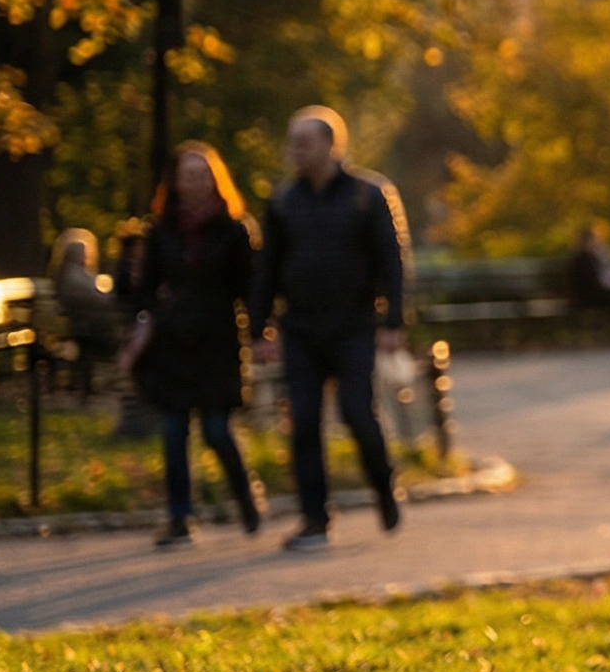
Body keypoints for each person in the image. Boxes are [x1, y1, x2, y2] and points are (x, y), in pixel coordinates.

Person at [253, 105, 409, 549]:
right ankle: (314, 519)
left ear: (331, 144)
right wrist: (258, 329)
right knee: (303, 423)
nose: (296, 150)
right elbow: (267, 269)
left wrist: (394, 321)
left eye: (304, 142)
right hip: (301, 329)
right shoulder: (283, 201)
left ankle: (382, 484)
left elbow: (392, 261)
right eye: (292, 142)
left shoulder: (368, 194)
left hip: (353, 326)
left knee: (357, 413)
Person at [133, 144, 265, 546]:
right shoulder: (160, 231)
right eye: (188, 175)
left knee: (216, 430)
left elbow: (251, 287)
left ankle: (245, 497)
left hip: (217, 343)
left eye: (202, 174)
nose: (195, 182)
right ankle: (180, 517)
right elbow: (144, 287)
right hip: (173, 345)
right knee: (174, 431)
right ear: (175, 182)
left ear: (215, 179)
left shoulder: (234, 229)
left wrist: (261, 331)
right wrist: (154, 314)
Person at [49, 228, 126, 377]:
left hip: (81, 322)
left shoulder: (70, 274)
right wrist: (110, 298)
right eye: (83, 252)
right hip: (85, 327)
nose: (85, 256)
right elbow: (94, 296)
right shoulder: (74, 275)